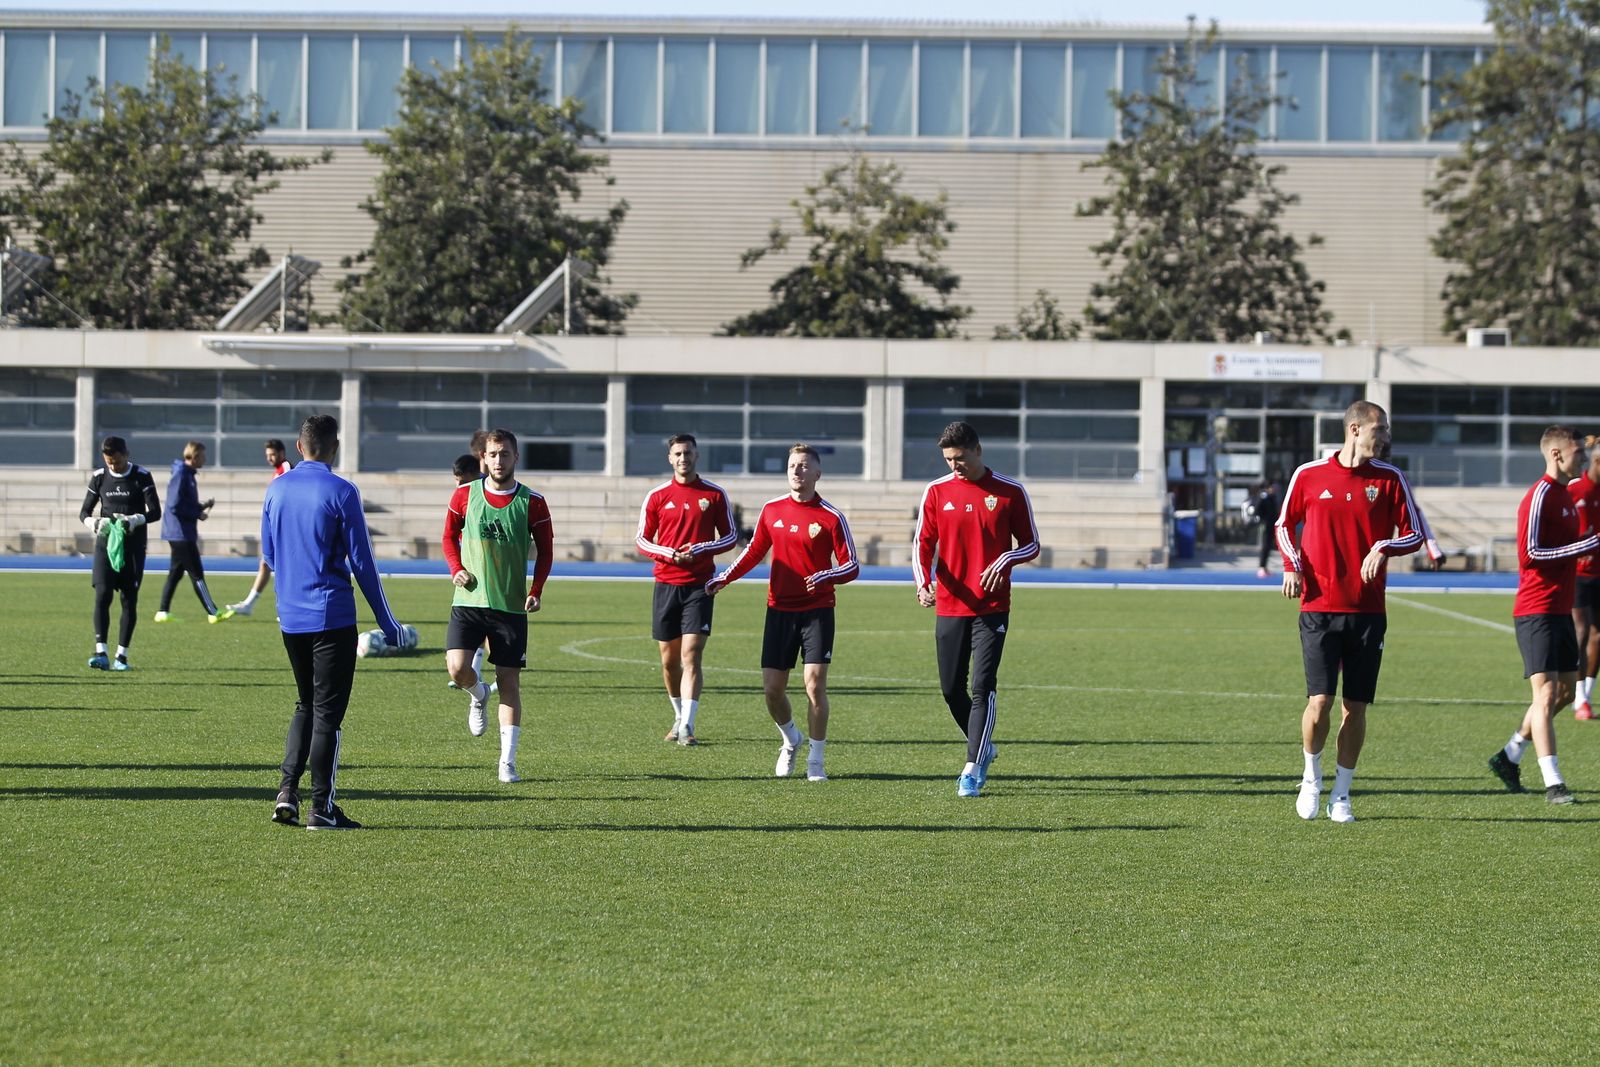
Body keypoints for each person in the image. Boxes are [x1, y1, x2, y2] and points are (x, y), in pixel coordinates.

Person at [1276, 400, 1424, 823]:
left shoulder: (1391, 479)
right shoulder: (1308, 475)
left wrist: (1384, 546)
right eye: (1381, 429)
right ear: (1355, 429)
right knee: (1319, 702)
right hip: (1319, 606)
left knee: (1354, 708)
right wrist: (1293, 566)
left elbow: (1413, 532)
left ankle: (1341, 794)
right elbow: (1284, 524)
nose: (1387, 437)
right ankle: (1311, 777)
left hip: (1367, 610)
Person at [263, 415, 402, 831]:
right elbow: (362, 562)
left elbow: (269, 556)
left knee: (305, 703)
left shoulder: (277, 488)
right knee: (327, 715)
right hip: (331, 616)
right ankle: (321, 807)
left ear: (299, 445)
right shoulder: (342, 491)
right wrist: (386, 621)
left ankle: (287, 790)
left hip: (290, 618)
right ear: (334, 446)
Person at [707, 443, 857, 781]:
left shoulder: (831, 517)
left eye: (804, 466)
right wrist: (724, 578)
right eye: (792, 465)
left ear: (817, 473)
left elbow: (851, 566)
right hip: (779, 610)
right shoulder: (772, 510)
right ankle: (791, 739)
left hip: (818, 611)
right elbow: (753, 551)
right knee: (772, 691)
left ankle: (816, 761)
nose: (797, 471)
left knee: (814, 685)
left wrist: (826, 575)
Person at [913, 421, 1039, 798]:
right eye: (949, 460)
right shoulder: (936, 491)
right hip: (951, 604)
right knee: (951, 689)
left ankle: (972, 767)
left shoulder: (1009, 491)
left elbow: (1031, 544)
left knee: (982, 685)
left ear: (977, 451)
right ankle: (982, 742)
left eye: (961, 458)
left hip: (992, 606)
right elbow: (923, 542)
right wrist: (923, 582)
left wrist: (1006, 560)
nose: (955, 466)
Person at [1486, 425, 1598, 805]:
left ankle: (1511, 753)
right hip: (1536, 609)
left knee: (1565, 692)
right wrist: (1584, 546)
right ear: (1556, 454)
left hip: (1559, 610)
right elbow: (1530, 554)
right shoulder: (1540, 496)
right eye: (1577, 451)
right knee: (1546, 692)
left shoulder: (1566, 497)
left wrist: (1581, 547)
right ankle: (1555, 784)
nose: (1583, 456)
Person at [442, 428, 553, 783]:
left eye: (505, 454)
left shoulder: (532, 502)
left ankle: (507, 761)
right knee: (457, 670)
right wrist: (456, 569)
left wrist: (536, 588)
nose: (499, 460)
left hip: (510, 605)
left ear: (515, 457)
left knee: (509, 683)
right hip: (469, 599)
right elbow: (447, 536)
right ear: (483, 458)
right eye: (493, 454)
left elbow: (547, 550)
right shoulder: (464, 495)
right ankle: (477, 695)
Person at [635, 433, 737, 745]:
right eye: (678, 453)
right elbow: (642, 539)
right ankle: (679, 715)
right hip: (666, 584)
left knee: (691, 654)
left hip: (699, 586)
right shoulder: (656, 496)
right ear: (670, 458)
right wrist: (670, 554)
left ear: (697, 456)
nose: (683, 458)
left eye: (688, 453)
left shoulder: (714, 495)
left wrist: (702, 549)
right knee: (669, 660)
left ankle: (688, 727)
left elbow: (731, 536)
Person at [80, 436, 162, 671]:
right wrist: (95, 524)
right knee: (102, 594)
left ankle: (121, 656)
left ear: (126, 455)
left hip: (133, 547)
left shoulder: (141, 476)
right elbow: (84, 512)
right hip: (106, 544)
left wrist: (135, 520)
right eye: (109, 462)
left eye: (116, 461)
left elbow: (155, 511)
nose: (113, 466)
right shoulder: (99, 477)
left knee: (128, 599)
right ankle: (101, 652)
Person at [155, 441, 227, 623]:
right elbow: (174, 505)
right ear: (194, 457)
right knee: (196, 573)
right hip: (180, 534)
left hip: (180, 532)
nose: (205, 459)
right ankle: (213, 612)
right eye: (202, 456)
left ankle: (162, 611)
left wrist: (202, 506)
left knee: (176, 573)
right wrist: (197, 513)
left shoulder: (187, 475)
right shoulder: (181, 474)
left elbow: (184, 503)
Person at [227, 439, 293, 617]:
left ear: (281, 452)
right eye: (267, 455)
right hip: (278, 527)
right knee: (266, 563)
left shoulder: (286, 468)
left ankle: (288, 609)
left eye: (272, 454)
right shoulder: (278, 472)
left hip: (286, 528)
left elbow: (286, 496)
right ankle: (249, 604)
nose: (270, 458)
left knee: (281, 567)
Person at [1568, 437, 1600, 720]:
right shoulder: (1574, 489)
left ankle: (1585, 697)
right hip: (1577, 575)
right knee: (1582, 631)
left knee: (1598, 635)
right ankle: (1577, 695)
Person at [1249, 480, 1282, 579]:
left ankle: (1265, 567)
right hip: (1266, 525)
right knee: (1265, 547)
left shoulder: (1272, 497)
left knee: (1268, 547)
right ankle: (1262, 567)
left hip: (1272, 525)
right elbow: (1257, 510)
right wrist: (1262, 520)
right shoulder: (1263, 497)